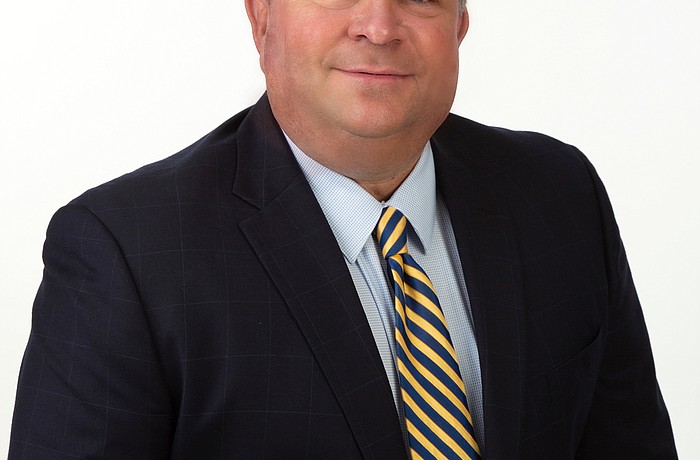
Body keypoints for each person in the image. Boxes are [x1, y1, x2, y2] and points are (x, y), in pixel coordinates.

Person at [10, 0, 677, 458]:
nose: (379, 26)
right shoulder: (126, 254)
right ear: (260, 16)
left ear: (461, 23)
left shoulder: (559, 196)